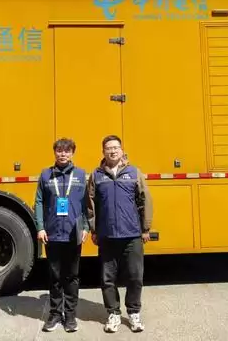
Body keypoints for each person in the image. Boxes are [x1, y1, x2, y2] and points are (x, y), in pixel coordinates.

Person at [85, 135, 153, 333]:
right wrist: (94, 229)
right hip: (107, 236)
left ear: (122, 150)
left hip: (132, 235)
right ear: (103, 152)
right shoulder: (97, 175)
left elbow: (145, 199)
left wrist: (145, 228)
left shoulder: (134, 172)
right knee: (107, 279)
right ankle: (113, 313)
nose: (112, 151)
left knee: (135, 276)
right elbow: (90, 204)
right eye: (108, 148)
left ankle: (134, 312)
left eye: (116, 147)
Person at [34, 137, 89, 333]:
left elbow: (86, 204)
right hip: (52, 234)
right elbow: (39, 201)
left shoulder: (81, 174)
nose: (63, 154)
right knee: (55, 276)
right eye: (59, 150)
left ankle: (70, 315)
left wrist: (86, 227)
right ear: (54, 153)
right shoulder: (45, 174)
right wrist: (40, 227)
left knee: (72, 276)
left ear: (72, 153)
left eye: (67, 151)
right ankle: (55, 314)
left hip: (73, 234)